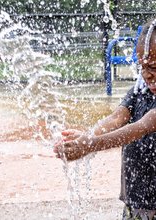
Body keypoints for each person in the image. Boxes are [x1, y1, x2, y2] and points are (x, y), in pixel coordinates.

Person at [53, 19, 156, 220]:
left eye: (153, 67)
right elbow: (117, 117)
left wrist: (90, 145)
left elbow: (141, 126)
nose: (146, 75)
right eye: (142, 66)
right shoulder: (140, 91)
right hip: (136, 205)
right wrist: (87, 136)